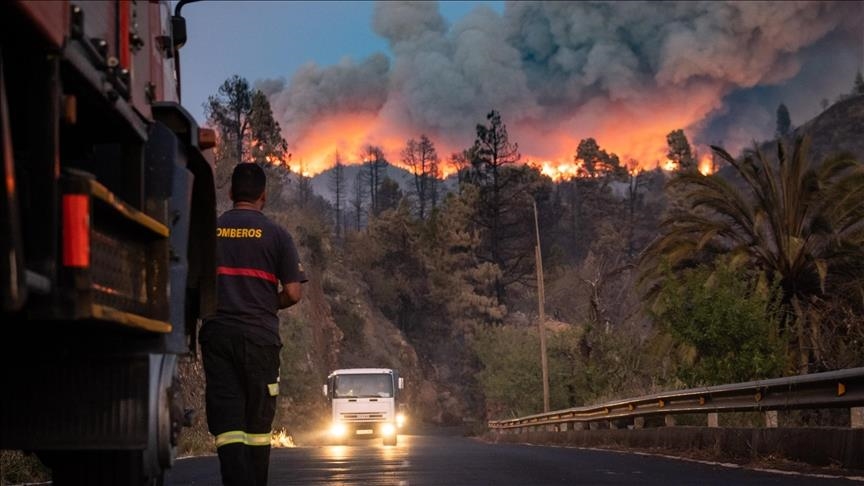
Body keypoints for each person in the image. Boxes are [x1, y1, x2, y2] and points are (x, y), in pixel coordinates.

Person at [200, 162, 307, 486]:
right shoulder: (277, 235)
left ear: (231, 193)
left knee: (229, 423)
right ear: (264, 195)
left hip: (218, 336)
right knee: (258, 428)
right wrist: (264, 303)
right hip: (260, 339)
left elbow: (194, 284)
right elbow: (293, 291)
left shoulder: (210, 232)